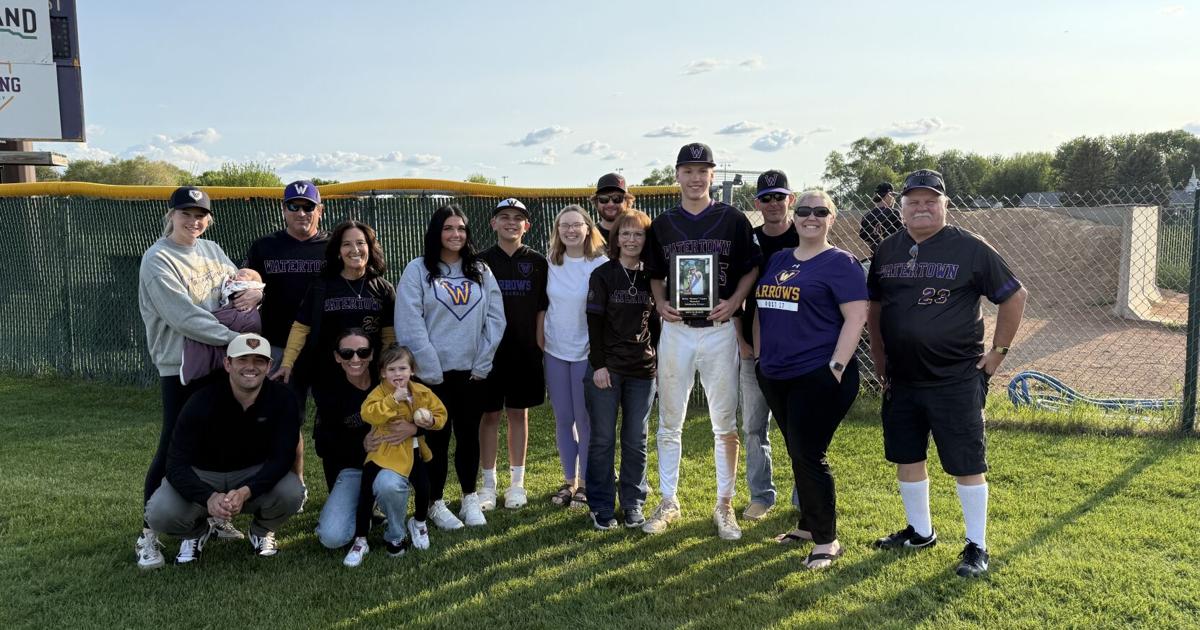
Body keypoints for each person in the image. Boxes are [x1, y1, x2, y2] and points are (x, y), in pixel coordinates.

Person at [867, 169, 1028, 578]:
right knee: (908, 456)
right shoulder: (887, 250)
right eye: (913, 201)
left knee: (966, 463)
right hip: (902, 378)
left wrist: (997, 354)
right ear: (901, 208)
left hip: (954, 378)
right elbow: (876, 310)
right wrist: (881, 364)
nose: (921, 207)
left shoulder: (970, 248)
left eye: (930, 200)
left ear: (945, 205)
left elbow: (1014, 296)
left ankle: (977, 545)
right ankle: (920, 532)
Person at [135, 185, 263, 570]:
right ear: (170, 214)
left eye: (200, 215)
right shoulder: (158, 259)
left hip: (219, 360)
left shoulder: (211, 249)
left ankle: (211, 519)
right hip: (181, 366)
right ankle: (147, 534)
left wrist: (257, 292)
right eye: (186, 213)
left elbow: (238, 287)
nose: (194, 221)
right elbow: (184, 318)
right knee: (174, 443)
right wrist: (237, 340)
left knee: (216, 441)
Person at [641, 142, 762, 540]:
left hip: (718, 330)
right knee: (669, 420)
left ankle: (724, 505)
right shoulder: (663, 224)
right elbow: (655, 274)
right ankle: (668, 500)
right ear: (676, 175)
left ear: (713, 175)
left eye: (702, 170)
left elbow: (752, 267)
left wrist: (737, 300)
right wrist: (660, 304)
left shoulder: (732, 219)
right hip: (676, 330)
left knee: (723, 423)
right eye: (688, 170)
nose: (695, 178)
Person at [754, 190, 868, 570]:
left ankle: (827, 540)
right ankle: (805, 526)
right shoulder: (779, 258)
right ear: (793, 215)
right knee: (798, 452)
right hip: (775, 373)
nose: (811, 217)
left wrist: (835, 367)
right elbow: (762, 308)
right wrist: (759, 357)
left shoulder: (841, 263)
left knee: (808, 454)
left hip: (818, 375)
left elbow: (856, 318)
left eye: (821, 211)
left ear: (832, 218)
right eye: (803, 210)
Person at [144, 334, 306, 565]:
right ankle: (196, 532)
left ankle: (261, 531)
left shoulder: (283, 399)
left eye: (259, 361)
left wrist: (245, 492)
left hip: (251, 473)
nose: (250, 367)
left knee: (292, 492)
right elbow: (175, 464)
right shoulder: (200, 400)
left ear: (269, 365)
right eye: (242, 360)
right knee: (159, 511)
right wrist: (208, 496)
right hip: (204, 474)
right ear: (227, 363)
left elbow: (282, 458)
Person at [395, 205, 505, 530]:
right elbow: (409, 322)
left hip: (472, 373)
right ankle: (435, 502)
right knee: (436, 442)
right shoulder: (418, 270)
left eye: (461, 228)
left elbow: (496, 318)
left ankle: (470, 497)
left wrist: (482, 363)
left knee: (469, 437)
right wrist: (430, 369)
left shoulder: (480, 270)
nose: (455, 234)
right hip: (432, 377)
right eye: (448, 228)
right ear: (436, 232)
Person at [246, 180, 329, 477]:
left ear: (320, 210)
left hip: (325, 349)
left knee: (336, 418)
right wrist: (251, 289)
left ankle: (344, 481)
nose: (301, 212)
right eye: (294, 206)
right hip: (279, 348)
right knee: (285, 421)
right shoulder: (265, 246)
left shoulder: (332, 247)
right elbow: (247, 285)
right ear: (283, 209)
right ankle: (294, 487)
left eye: (308, 207)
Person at [584, 209, 657, 530]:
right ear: (616, 239)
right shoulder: (603, 275)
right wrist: (599, 365)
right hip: (607, 369)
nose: (631, 240)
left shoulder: (653, 277)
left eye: (638, 234)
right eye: (625, 234)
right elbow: (593, 323)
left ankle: (632, 503)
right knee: (602, 439)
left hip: (643, 370)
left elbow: (657, 323)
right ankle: (600, 504)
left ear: (646, 239)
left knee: (635, 439)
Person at [343, 344, 447, 567]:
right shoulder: (379, 393)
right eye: (391, 370)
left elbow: (441, 414)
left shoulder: (421, 392)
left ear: (412, 371)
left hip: (413, 450)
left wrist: (430, 420)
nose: (397, 374)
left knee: (424, 487)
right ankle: (361, 540)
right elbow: (368, 414)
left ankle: (418, 522)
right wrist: (393, 400)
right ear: (382, 373)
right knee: (366, 494)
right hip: (381, 451)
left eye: (402, 369)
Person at [735, 169, 800, 521]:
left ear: (791, 199)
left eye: (780, 196)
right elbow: (734, 291)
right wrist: (741, 340)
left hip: (799, 348)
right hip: (755, 348)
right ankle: (761, 494)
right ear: (756, 203)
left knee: (798, 427)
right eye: (766, 198)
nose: (773, 203)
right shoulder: (749, 238)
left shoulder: (804, 231)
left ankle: (803, 493)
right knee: (754, 425)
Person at [478, 198, 548, 511]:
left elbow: (542, 309)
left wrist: (538, 344)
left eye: (517, 218)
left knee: (518, 413)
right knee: (489, 414)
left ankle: (516, 484)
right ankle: (488, 485)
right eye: (504, 217)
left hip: (524, 351)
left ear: (526, 226)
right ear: (493, 223)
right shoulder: (479, 261)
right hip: (489, 352)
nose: (511, 222)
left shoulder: (537, 262)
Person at [277, 220, 396, 389]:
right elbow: (301, 328)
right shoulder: (321, 286)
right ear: (339, 251)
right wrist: (287, 363)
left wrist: (385, 369)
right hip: (328, 377)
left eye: (361, 243)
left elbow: (389, 337)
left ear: (370, 247)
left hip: (371, 376)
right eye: (347, 244)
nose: (355, 250)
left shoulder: (383, 289)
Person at [544, 204, 609, 508]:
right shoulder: (550, 263)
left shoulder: (600, 265)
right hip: (556, 351)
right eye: (564, 226)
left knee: (584, 420)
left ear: (587, 229)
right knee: (563, 418)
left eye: (576, 225)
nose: (570, 230)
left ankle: (585, 483)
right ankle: (569, 481)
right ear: (558, 231)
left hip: (586, 352)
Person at [311, 328, 380, 549]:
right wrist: (362, 446)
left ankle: (393, 523)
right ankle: (365, 509)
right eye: (347, 353)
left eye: (363, 352)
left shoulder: (387, 380)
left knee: (390, 483)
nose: (356, 359)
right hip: (353, 469)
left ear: (371, 353)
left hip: (389, 465)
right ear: (337, 357)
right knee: (332, 538)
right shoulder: (329, 392)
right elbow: (324, 447)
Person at [180, 267, 265, 385]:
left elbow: (256, 288)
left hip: (241, 319)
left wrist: (258, 293)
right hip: (218, 330)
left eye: (243, 274)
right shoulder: (158, 260)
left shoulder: (214, 251)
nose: (237, 275)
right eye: (238, 273)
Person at [858, 182, 903, 253]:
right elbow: (903, 234)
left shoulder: (867, 216)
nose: (893, 199)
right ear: (888, 195)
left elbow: (864, 236)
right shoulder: (894, 213)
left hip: (876, 255)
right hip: (893, 254)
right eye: (893, 196)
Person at [592, 172, 634, 242]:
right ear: (596, 202)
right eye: (604, 199)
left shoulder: (640, 234)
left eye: (617, 198)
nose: (610, 204)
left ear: (627, 201)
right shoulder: (588, 235)